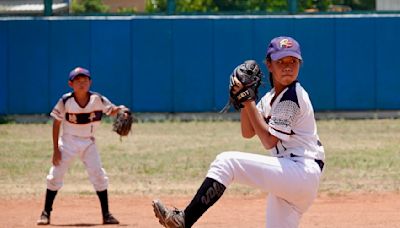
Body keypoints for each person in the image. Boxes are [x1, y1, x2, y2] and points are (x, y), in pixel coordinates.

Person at [152, 36, 325, 228]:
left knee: (227, 162)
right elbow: (248, 131)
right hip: (290, 177)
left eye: (292, 61)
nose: (287, 67)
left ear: (300, 64)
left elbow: (269, 141)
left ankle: (185, 219)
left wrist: (248, 99)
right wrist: (244, 100)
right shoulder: (270, 98)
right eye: (281, 61)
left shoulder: (292, 96)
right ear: (269, 64)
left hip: (300, 172)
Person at [36, 67, 126, 225]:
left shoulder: (97, 99)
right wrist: (56, 149)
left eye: (85, 80)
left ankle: (106, 215)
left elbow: (111, 110)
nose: (82, 83)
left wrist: (121, 110)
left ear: (90, 82)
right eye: (78, 81)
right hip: (68, 141)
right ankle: (45, 213)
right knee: (55, 175)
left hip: (89, 142)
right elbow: (56, 123)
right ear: (71, 84)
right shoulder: (65, 101)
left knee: (98, 175)